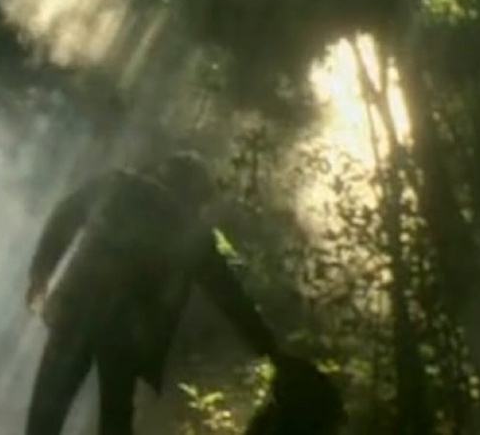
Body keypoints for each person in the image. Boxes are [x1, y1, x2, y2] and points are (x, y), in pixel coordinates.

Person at [24, 150, 339, 435]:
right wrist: (271, 351)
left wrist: (40, 272)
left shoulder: (116, 186)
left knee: (48, 410)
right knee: (115, 416)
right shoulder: (189, 230)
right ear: (195, 196)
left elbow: (64, 215)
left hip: (77, 310)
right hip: (126, 332)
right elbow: (229, 296)